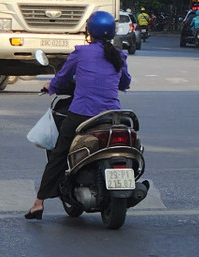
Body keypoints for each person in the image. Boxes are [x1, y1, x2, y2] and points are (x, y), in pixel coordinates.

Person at [25, 11, 131, 220]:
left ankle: (38, 203)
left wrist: (50, 86)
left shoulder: (81, 53)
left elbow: (62, 77)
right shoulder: (119, 55)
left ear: (88, 32)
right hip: (112, 116)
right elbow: (125, 82)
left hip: (82, 115)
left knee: (58, 153)